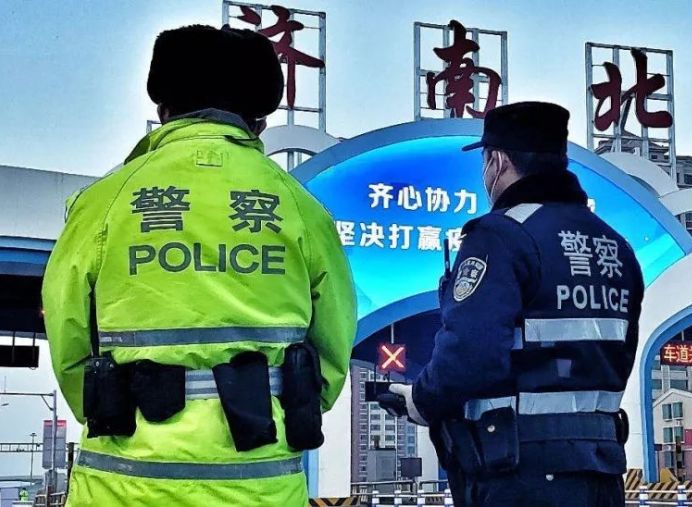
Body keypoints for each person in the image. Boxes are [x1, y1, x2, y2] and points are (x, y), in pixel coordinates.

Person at [42, 24, 355, 507]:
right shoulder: (302, 210)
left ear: (163, 113)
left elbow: (68, 335)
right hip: (261, 488)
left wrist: (109, 408)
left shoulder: (102, 203)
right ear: (258, 124)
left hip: (121, 487)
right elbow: (334, 342)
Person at [384, 102, 644, 506]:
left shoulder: (500, 236)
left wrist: (420, 401)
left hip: (520, 473)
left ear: (499, 161)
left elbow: (471, 353)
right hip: (601, 471)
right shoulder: (614, 245)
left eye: (485, 162)